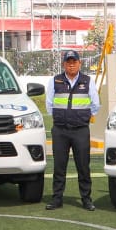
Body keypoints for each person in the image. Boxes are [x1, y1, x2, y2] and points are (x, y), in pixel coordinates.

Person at [46, 49, 99, 211]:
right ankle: (57, 199)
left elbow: (95, 105)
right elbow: (49, 104)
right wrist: (62, 117)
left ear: (79, 63)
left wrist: (82, 117)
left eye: (74, 62)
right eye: (68, 62)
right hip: (60, 130)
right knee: (59, 167)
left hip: (80, 130)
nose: (71, 65)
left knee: (83, 166)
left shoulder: (87, 81)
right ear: (64, 64)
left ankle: (86, 199)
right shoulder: (55, 81)